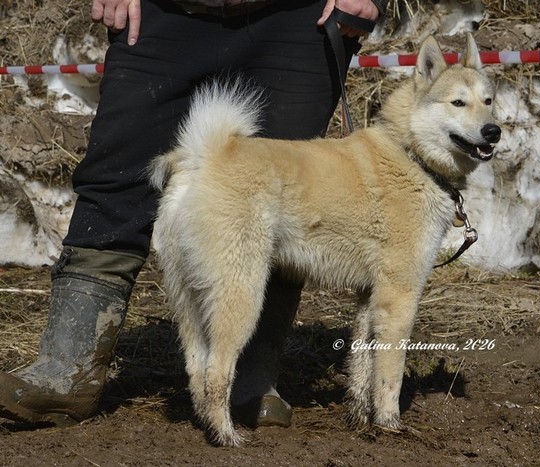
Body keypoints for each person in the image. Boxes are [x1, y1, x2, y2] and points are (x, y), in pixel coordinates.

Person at [0, 0, 386, 429]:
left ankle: (249, 380)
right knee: (115, 177)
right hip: (162, 12)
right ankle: (67, 370)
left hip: (297, 18)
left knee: (287, 199)